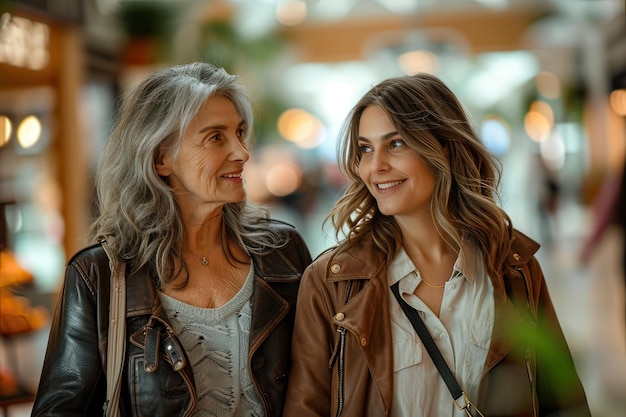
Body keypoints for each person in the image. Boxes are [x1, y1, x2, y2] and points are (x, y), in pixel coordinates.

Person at [283, 73, 591, 417]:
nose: (376, 165)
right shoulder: (331, 284)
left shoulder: (513, 267)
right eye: (366, 149)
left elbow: (563, 400)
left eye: (396, 143)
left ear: (442, 146)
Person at [31, 62, 312, 417]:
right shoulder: (98, 275)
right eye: (215, 137)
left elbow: (323, 383)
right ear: (162, 157)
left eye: (240, 132)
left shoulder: (283, 253)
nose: (242, 152)